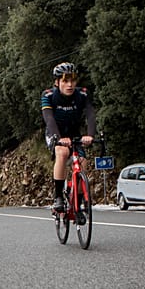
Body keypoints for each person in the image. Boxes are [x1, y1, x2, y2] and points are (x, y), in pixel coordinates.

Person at [41, 62, 97, 212]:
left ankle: (77, 202)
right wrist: (59, 138)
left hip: (74, 134)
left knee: (82, 162)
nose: (69, 85)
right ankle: (58, 195)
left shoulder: (82, 94)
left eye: (72, 80)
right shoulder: (49, 95)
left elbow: (90, 114)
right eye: (65, 81)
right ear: (57, 82)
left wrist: (90, 135)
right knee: (62, 152)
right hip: (55, 133)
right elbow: (49, 119)